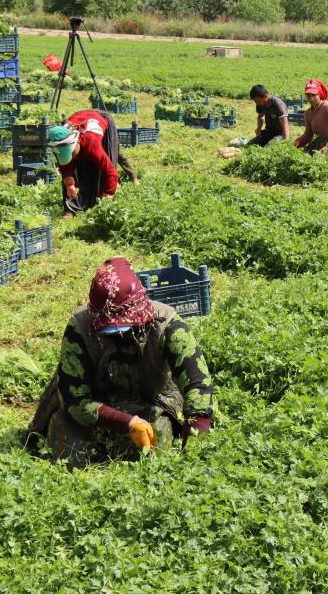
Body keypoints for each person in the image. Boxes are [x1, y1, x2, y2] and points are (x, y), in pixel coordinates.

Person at [26, 257, 215, 465]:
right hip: (93, 406)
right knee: (70, 452)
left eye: (123, 323)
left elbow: (198, 384)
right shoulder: (80, 327)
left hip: (151, 402)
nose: (117, 331)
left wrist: (195, 449)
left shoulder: (167, 325)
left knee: (154, 447)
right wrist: (126, 423)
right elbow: (74, 399)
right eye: (108, 326)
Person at [47, 109, 139, 218]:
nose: (71, 157)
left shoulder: (91, 143)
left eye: (71, 153)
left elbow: (110, 172)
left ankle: (133, 177)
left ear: (76, 142)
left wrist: (108, 195)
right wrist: (70, 185)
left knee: (112, 154)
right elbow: (65, 166)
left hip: (102, 119)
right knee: (74, 166)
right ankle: (70, 209)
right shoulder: (60, 141)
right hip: (80, 117)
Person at [294, 78, 328, 154]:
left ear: (320, 94)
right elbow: (308, 134)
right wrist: (296, 144)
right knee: (304, 155)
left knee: (318, 157)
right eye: (308, 95)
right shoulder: (308, 113)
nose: (311, 98)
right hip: (320, 141)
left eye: (314, 95)